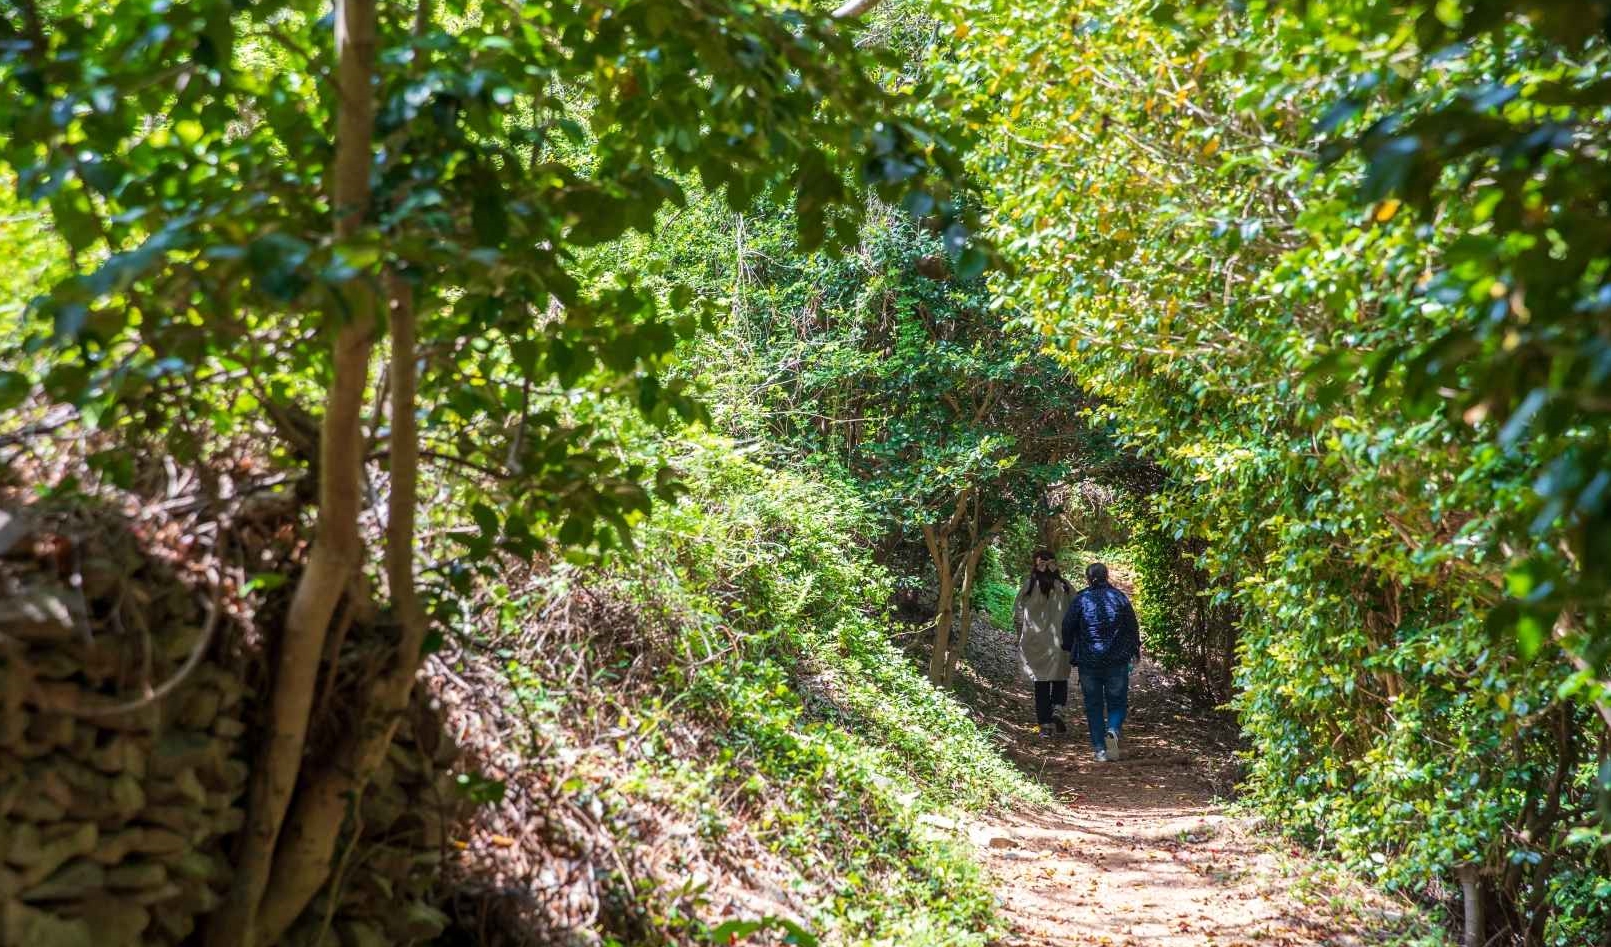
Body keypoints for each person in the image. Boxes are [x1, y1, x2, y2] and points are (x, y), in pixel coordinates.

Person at [1061, 562, 1140, 762]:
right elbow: (1132, 627)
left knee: (1093, 704)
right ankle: (1112, 730)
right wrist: (1132, 650)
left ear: (1088, 578)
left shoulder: (1081, 599)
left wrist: (1069, 647)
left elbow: (1067, 626)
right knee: (1117, 702)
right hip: (1117, 661)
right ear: (1107, 576)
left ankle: (1100, 750)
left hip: (1089, 662)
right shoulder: (1120, 598)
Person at [1014, 550, 1074, 738]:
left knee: (1040, 683)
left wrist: (1020, 635)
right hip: (1059, 642)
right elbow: (1077, 608)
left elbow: (1017, 612)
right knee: (1060, 677)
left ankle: (1045, 726)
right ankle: (1057, 708)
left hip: (1035, 642)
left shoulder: (1030, 585)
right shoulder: (1064, 586)